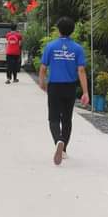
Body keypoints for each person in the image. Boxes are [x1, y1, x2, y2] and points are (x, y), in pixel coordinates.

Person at [39, 16, 89, 166]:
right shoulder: (78, 48)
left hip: (54, 86)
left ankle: (58, 141)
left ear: (59, 30)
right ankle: (64, 148)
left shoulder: (50, 46)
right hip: (70, 87)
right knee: (66, 118)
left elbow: (43, 68)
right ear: (72, 31)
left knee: (53, 118)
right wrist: (85, 92)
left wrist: (42, 83)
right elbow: (81, 70)